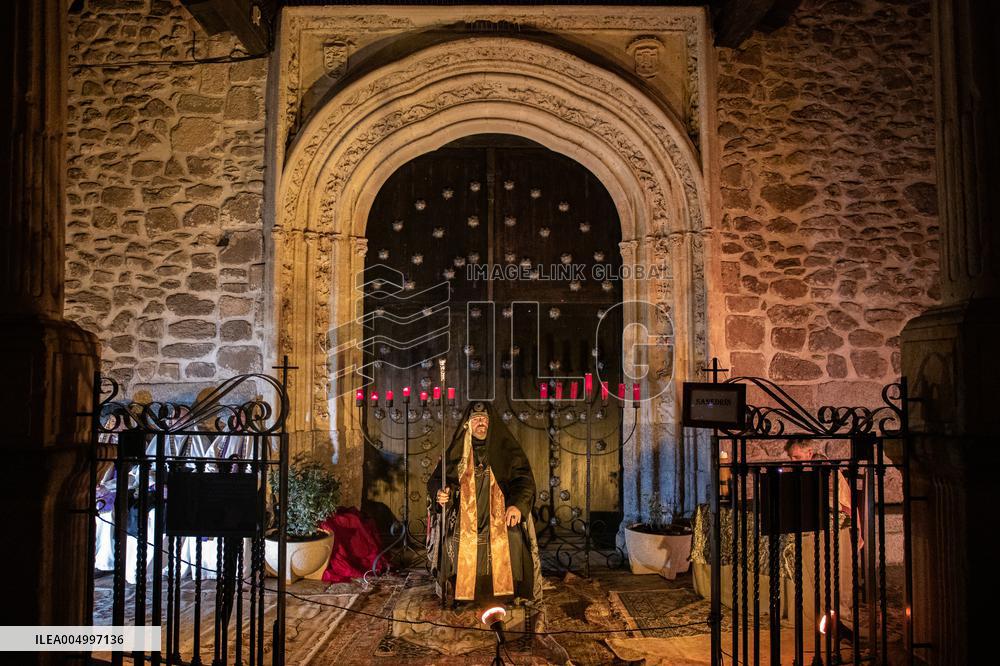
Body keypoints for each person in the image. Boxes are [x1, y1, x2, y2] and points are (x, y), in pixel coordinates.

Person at [427, 401, 541, 604]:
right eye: (476, 419)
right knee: (451, 542)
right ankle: (460, 595)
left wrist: (517, 505)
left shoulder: (507, 450)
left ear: (491, 423)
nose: (480, 423)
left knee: (512, 539)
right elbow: (437, 480)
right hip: (463, 516)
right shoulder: (457, 451)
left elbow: (524, 481)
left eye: (484, 419)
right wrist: (441, 493)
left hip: (499, 515)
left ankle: (507, 595)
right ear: (468, 424)